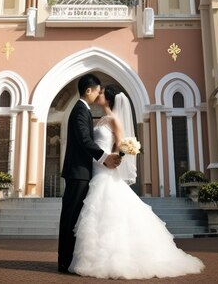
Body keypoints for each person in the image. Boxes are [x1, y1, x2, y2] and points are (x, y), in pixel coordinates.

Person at [69, 85, 205, 279]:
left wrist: (115, 158)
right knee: (99, 215)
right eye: (97, 92)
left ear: (107, 98)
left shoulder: (114, 120)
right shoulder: (100, 120)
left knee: (108, 213)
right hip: (95, 169)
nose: (98, 95)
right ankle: (98, 258)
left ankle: (115, 260)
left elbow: (121, 145)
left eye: (101, 93)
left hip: (105, 171)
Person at [58, 73, 122, 274]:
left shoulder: (86, 111)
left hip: (88, 172)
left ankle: (70, 260)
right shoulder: (79, 110)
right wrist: (105, 157)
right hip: (79, 172)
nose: (98, 94)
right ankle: (65, 261)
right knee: (71, 217)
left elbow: (98, 141)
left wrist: (111, 157)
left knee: (78, 218)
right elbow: (85, 141)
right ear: (89, 90)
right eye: (97, 90)